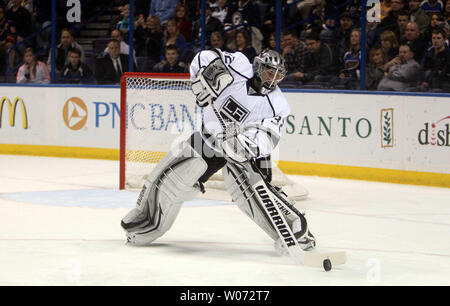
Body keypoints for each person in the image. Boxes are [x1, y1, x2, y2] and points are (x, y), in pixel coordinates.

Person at [120, 48, 317, 255]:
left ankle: (298, 230)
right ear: (258, 66)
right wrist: (207, 74)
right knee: (171, 179)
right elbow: (205, 56)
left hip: (250, 153)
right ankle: (147, 220)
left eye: (278, 75)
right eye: (270, 72)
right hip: (210, 140)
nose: (273, 78)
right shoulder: (239, 65)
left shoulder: (278, 105)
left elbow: (267, 138)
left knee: (254, 192)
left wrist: (242, 145)